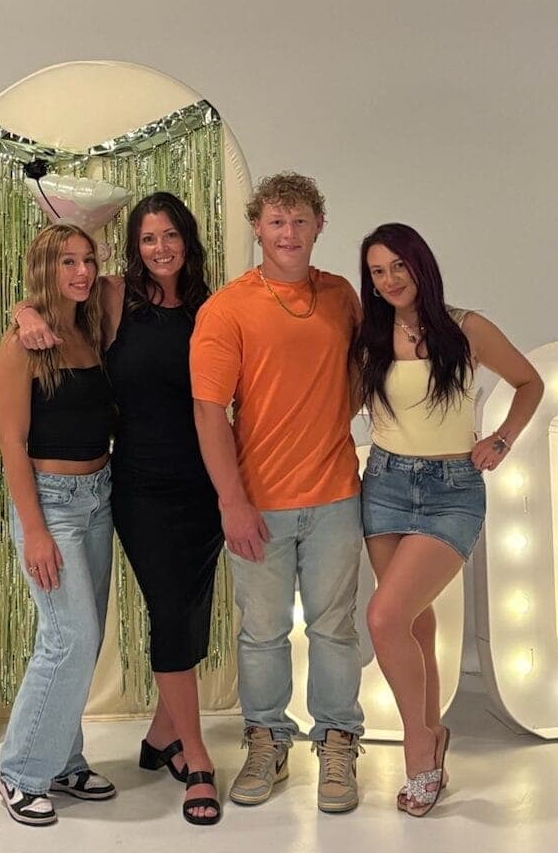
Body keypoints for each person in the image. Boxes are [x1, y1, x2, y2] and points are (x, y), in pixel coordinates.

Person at [12, 193, 224, 825]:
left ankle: (158, 740)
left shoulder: (213, 308)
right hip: (135, 486)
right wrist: (23, 312)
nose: (160, 249)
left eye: (170, 236)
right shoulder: (113, 298)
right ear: (134, 249)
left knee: (189, 609)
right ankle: (194, 756)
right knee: (137, 616)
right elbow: (53, 291)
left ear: (187, 239)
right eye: (147, 239)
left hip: (201, 484)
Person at [190, 172, 366, 814]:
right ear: (257, 229)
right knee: (262, 633)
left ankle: (339, 741)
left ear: (319, 225)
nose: (287, 233)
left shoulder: (344, 297)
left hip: (335, 494)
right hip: (257, 502)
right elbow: (210, 413)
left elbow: (368, 370)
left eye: (299, 221)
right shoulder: (228, 309)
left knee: (335, 628)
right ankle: (266, 739)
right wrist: (231, 502)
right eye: (274, 221)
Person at [354, 222, 542, 817]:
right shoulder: (371, 335)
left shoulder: (467, 328)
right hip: (383, 484)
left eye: (397, 268)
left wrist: (502, 439)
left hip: (451, 490)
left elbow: (529, 382)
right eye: (377, 272)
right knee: (412, 620)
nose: (388, 281)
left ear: (421, 266)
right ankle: (432, 735)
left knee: (384, 617)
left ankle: (419, 746)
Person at [0, 223, 119, 827]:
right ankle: (20, 771)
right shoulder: (22, 346)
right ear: (45, 266)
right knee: (67, 637)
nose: (83, 272)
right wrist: (35, 530)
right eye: (68, 261)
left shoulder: (87, 329)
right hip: (52, 504)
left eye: (88, 260)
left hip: (100, 496)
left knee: (85, 637)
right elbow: (12, 444)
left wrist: (30, 307)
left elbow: (131, 283)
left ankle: (64, 759)